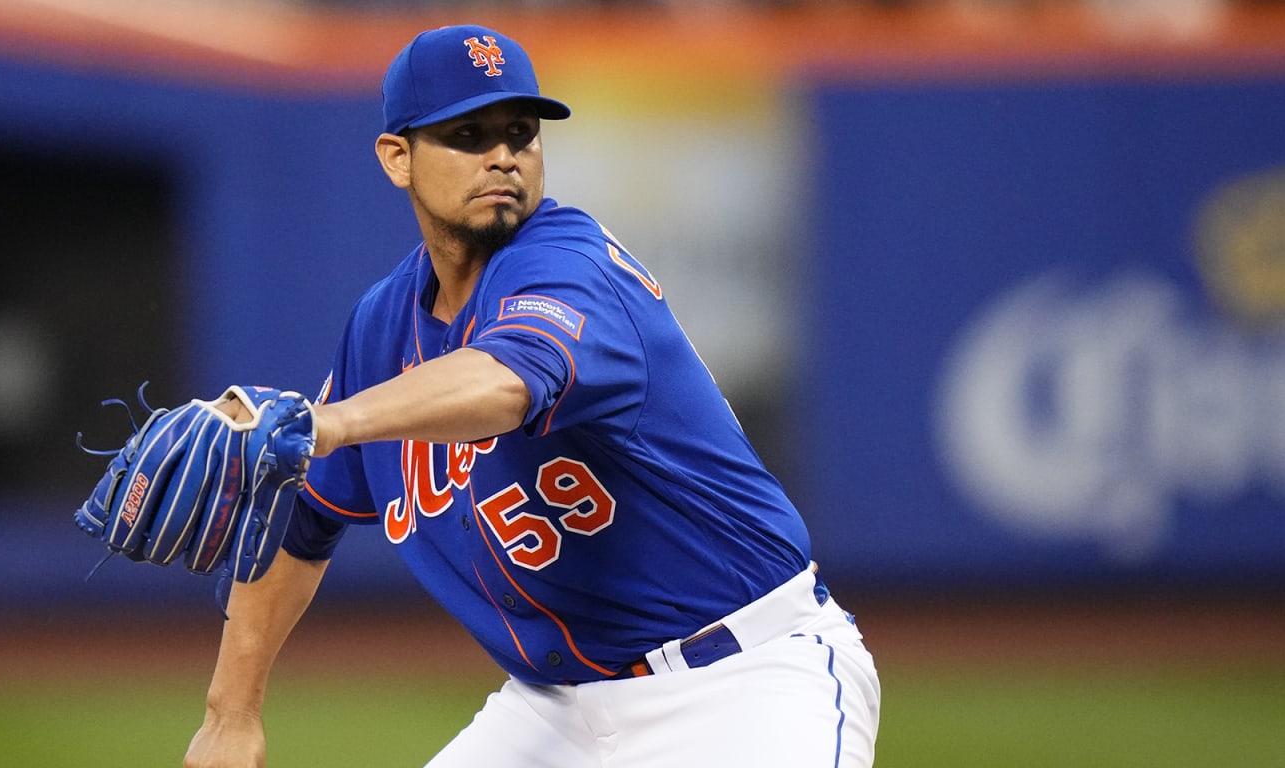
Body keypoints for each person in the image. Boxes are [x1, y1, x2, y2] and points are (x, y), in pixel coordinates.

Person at [183, 24, 880, 768]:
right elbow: (300, 521)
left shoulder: (570, 266)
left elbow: (505, 380)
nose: (503, 156)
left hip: (744, 682)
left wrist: (328, 423)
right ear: (397, 158)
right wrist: (230, 713)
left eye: (521, 132)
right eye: (467, 134)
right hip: (553, 711)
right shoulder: (381, 328)